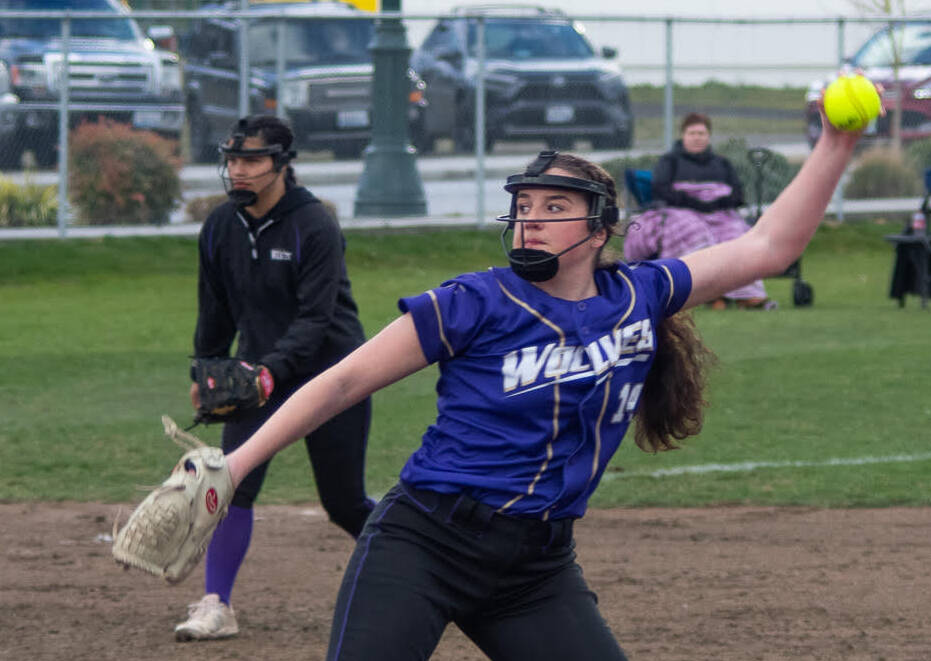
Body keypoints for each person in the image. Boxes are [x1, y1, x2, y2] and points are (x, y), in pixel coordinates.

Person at [208, 97, 862, 660]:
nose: (531, 217)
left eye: (554, 205)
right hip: (424, 542)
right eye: (524, 204)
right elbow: (342, 382)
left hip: (534, 566)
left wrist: (836, 142)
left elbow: (769, 247)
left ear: (600, 226)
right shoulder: (474, 299)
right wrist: (234, 466)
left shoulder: (640, 294)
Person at [174, 115, 375, 641]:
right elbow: (214, 309)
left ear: (282, 164)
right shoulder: (220, 226)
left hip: (332, 376)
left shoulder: (314, 224)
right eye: (232, 160)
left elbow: (315, 318)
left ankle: (436, 566)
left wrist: (269, 371)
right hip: (256, 375)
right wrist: (207, 367)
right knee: (231, 484)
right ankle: (216, 604)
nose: (237, 171)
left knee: (344, 502)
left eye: (252, 161)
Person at [623, 112, 775, 309]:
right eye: (692, 133)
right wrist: (695, 203)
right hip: (679, 211)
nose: (697, 137)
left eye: (701, 133)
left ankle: (746, 294)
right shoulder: (670, 162)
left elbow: (737, 193)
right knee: (694, 231)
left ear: (708, 136)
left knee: (736, 235)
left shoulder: (721, 163)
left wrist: (715, 203)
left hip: (719, 213)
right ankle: (707, 293)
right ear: (683, 135)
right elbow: (661, 189)